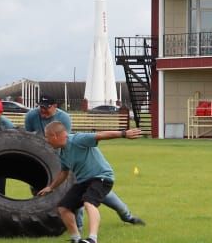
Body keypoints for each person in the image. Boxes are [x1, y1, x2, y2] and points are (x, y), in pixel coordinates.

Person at [24, 95, 144, 225]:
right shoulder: (31, 116)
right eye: (40, 106)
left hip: (75, 165)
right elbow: (31, 139)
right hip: (50, 159)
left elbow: (70, 142)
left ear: (54, 107)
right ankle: (76, 232)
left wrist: (124, 133)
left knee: (103, 196)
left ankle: (127, 216)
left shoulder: (65, 120)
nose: (42, 110)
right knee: (74, 197)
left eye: (46, 107)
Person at [39, 124, 143, 243]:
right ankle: (76, 239)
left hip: (102, 177)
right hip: (84, 182)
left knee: (89, 203)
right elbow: (64, 172)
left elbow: (100, 135)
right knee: (63, 207)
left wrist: (124, 134)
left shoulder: (77, 139)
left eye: (47, 137)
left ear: (54, 136)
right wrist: (51, 187)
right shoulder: (62, 152)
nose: (46, 140)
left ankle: (93, 239)